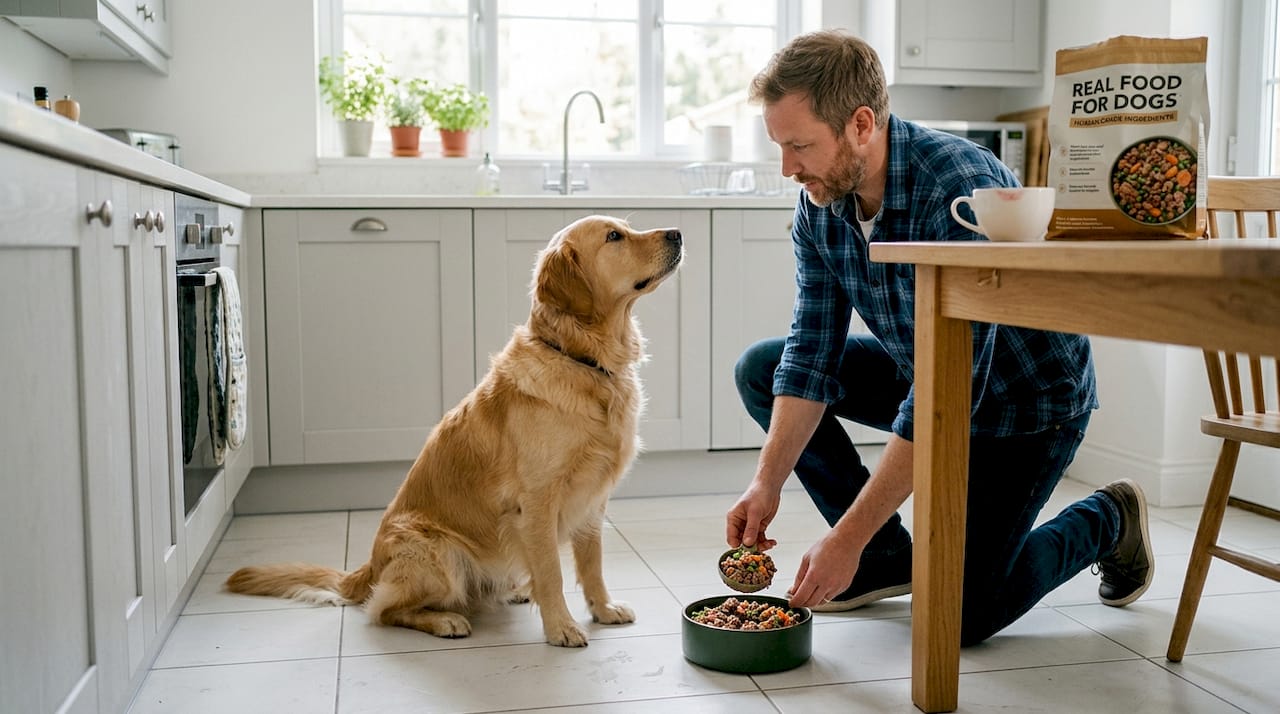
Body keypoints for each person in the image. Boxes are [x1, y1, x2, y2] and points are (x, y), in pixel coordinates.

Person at [725, 29, 1154, 645]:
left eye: (799, 146)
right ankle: (885, 558)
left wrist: (843, 537)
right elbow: (811, 352)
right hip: (929, 370)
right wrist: (766, 483)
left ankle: (1110, 518)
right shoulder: (820, 201)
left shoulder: (956, 192)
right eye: (781, 147)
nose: (788, 168)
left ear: (861, 125)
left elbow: (943, 400)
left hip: (1026, 405)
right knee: (763, 368)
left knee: (960, 618)